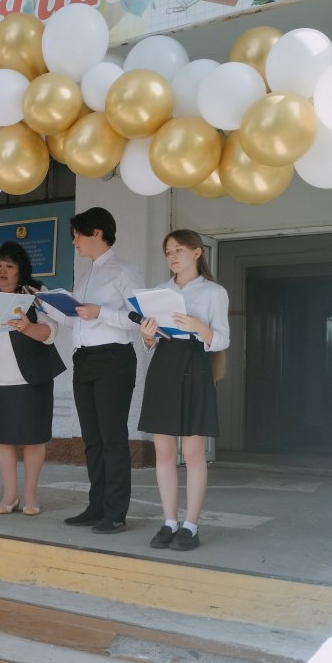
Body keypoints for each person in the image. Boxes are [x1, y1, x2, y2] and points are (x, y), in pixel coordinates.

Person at [54, 207, 145, 534]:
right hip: (85, 359)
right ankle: (97, 506)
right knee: (92, 439)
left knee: (112, 437)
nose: (74, 241)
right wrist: (47, 304)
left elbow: (141, 319)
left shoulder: (124, 271)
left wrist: (100, 312)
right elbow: (77, 320)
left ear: (97, 232)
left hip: (113, 358)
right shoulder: (86, 275)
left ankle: (116, 512)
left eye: (77, 234)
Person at [138, 230, 230, 551]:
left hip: (195, 364)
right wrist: (147, 336)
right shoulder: (159, 291)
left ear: (197, 252)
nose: (172, 256)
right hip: (164, 364)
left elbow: (222, 339)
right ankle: (169, 522)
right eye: (168, 252)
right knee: (163, 452)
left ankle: (190, 525)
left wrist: (199, 326)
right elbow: (152, 341)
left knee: (192, 452)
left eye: (178, 250)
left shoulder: (214, 291)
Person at [0, 240, 65, 516]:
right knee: (3, 439)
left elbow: (51, 332)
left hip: (33, 380)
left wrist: (28, 327)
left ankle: (30, 496)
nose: (2, 271)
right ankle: (10, 495)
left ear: (20, 270)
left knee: (34, 439)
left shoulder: (35, 293)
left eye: (9, 266)